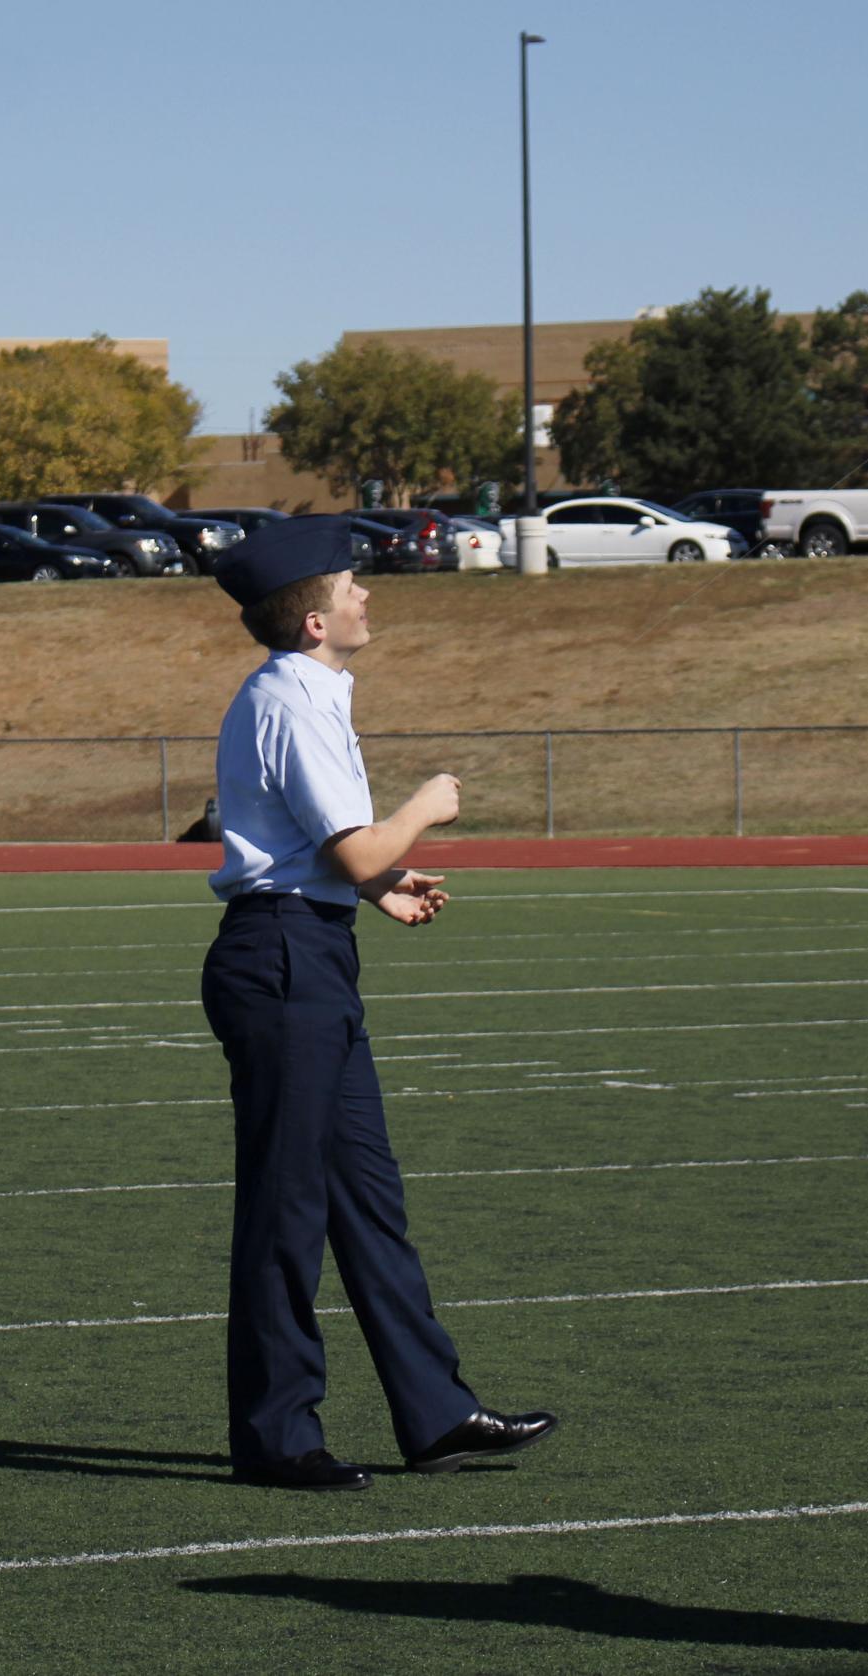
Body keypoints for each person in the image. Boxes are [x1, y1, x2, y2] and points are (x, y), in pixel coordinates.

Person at [199, 515, 556, 1491]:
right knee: (288, 1206)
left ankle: (434, 1411)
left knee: (367, 1197)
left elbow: (325, 851)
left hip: (307, 945)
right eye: (351, 583)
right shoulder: (295, 696)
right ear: (313, 618)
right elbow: (354, 841)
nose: (366, 594)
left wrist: (372, 885)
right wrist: (423, 810)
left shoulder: (300, 689)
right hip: (282, 959)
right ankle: (276, 1435)